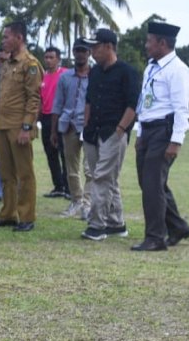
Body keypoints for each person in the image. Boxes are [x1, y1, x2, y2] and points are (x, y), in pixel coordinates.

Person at [133, 22, 189, 251]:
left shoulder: (178, 70)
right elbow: (145, 101)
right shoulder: (151, 66)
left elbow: (181, 109)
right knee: (149, 183)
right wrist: (140, 131)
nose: (146, 45)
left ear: (162, 42)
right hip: (148, 129)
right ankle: (177, 226)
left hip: (164, 130)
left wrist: (176, 141)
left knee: (152, 185)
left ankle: (156, 237)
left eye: (150, 41)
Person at [79, 29, 138, 241]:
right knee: (106, 178)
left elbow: (133, 105)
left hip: (113, 132)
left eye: (96, 47)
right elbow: (89, 100)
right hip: (92, 132)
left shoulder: (127, 72)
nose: (92, 51)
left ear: (109, 46)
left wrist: (120, 130)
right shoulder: (94, 72)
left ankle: (97, 225)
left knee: (102, 176)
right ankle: (116, 222)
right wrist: (85, 124)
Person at [0, 22, 42, 232]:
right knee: (5, 173)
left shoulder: (30, 63)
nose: (3, 41)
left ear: (19, 38)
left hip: (19, 125)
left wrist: (27, 127)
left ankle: (27, 216)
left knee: (24, 174)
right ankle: (8, 213)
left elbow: (33, 98)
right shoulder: (7, 64)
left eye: (6, 37)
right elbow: (2, 96)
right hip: (2, 124)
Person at [50, 38, 93, 220]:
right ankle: (77, 200)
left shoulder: (96, 75)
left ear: (89, 53)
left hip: (89, 126)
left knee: (90, 169)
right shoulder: (65, 77)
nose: (80, 54)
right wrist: (53, 130)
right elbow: (57, 105)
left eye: (83, 50)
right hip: (68, 125)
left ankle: (88, 204)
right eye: (77, 50)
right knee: (71, 167)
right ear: (73, 52)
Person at [40, 46, 70, 199]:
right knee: (50, 154)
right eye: (46, 57)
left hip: (61, 117)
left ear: (58, 59)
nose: (49, 60)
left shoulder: (65, 74)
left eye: (52, 57)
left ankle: (68, 187)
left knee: (65, 154)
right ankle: (58, 185)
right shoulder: (42, 77)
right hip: (45, 118)